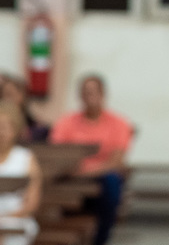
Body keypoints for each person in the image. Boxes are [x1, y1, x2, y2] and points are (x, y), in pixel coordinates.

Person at [49, 74, 134, 245]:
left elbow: (115, 161)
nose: (90, 96)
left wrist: (82, 172)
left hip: (98, 178)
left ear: (103, 94)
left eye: (94, 92)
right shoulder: (66, 123)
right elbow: (57, 155)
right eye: (86, 92)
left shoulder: (119, 123)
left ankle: (100, 239)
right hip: (71, 179)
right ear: (80, 95)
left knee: (111, 182)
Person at [0, 101, 41, 245]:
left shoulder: (25, 158)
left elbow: (31, 204)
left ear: (15, 130)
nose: (0, 132)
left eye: (5, 127)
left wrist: (0, 218)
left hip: (14, 220)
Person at [0, 76, 48, 145]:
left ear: (22, 96)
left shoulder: (37, 128)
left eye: (9, 94)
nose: (5, 99)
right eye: (2, 95)